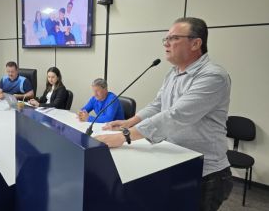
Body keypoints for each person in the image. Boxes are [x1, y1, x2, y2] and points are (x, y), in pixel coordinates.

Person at [97, 17, 233, 211]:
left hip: (206, 173)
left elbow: (176, 115)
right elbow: (158, 104)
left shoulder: (212, 76)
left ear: (196, 43)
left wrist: (124, 136)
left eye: (174, 38)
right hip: (175, 160)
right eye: (166, 38)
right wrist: (129, 122)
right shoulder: (173, 72)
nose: (166, 43)